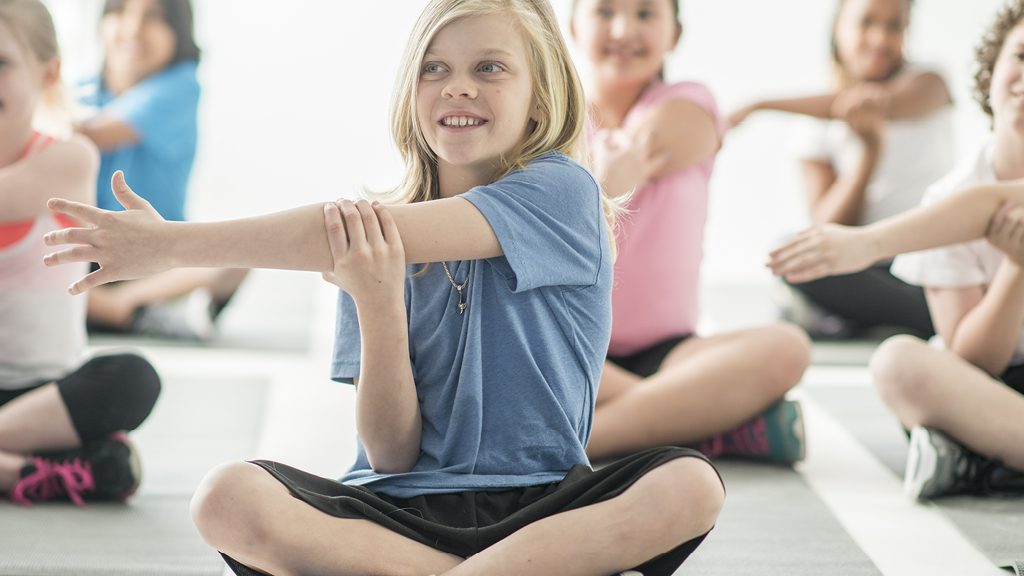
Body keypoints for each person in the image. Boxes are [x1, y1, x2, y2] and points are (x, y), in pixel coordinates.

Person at [43, 0, 725, 574]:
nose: (458, 87)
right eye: (436, 69)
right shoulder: (374, 248)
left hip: (546, 503)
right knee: (224, 498)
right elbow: (393, 453)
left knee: (690, 483)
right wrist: (375, 302)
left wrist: (169, 245)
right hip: (401, 515)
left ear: (540, 98)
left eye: (488, 68)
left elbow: (336, 232)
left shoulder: (562, 192)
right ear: (412, 93)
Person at [768, 1, 1024, 500]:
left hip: (894, 248)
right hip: (989, 385)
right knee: (898, 364)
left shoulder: (926, 86)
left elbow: (988, 203)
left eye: (895, 25)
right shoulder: (947, 200)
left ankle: (985, 455)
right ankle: (990, 450)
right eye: (1021, 57)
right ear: (992, 71)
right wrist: (1015, 268)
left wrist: (868, 243)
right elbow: (977, 364)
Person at [569, 0, 811, 464]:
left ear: (674, 33)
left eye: (645, 13)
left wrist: (603, 177)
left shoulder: (692, 105)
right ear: (573, 28)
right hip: (571, 346)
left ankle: (578, 441)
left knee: (788, 347)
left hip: (671, 355)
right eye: (604, 11)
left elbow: (642, 151)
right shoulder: (549, 119)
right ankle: (694, 422)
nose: (623, 28)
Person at [0, 0, 160, 507]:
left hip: (47, 398)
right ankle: (33, 470)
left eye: (0, 64)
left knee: (133, 378)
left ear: (48, 72)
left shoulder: (69, 159)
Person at [732, 0, 954, 339]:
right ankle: (904, 318)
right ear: (838, 26)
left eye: (895, 26)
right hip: (868, 264)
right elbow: (825, 226)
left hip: (933, 261)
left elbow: (867, 103)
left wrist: (762, 104)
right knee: (791, 250)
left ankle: (867, 318)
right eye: (867, 22)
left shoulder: (929, 83)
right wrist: (868, 154)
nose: (880, 38)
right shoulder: (812, 130)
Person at [75, 0, 247, 340]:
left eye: (153, 17)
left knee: (239, 253)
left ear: (178, 33)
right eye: (119, 12)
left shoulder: (180, 86)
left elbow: (91, 135)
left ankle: (115, 306)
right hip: (88, 252)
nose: (132, 29)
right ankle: (122, 310)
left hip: (156, 249)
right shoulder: (82, 89)